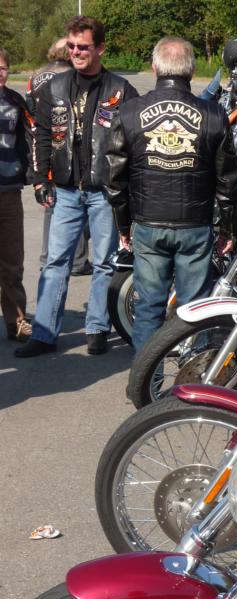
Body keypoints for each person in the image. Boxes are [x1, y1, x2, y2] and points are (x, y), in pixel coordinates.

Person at [104, 36, 237, 353]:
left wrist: (123, 225)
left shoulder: (128, 112)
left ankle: (145, 378)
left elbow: (114, 178)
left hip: (148, 224)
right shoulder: (214, 115)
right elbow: (228, 181)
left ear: (154, 68)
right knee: (196, 311)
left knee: (148, 309)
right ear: (191, 71)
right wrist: (228, 228)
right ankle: (193, 377)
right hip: (195, 225)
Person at [15, 15, 138, 358]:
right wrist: (40, 179)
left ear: (100, 48)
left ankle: (97, 328)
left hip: (104, 191)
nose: (76, 52)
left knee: (104, 263)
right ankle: (44, 333)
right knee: (56, 261)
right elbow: (40, 135)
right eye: (71, 46)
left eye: (83, 47)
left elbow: (133, 141)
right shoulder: (53, 87)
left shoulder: (121, 90)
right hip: (65, 190)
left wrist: (127, 187)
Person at [27, 37, 92, 277]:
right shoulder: (71, 76)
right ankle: (77, 260)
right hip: (66, 147)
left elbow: (29, 111)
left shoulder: (35, 76)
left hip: (41, 143)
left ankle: (48, 255)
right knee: (77, 200)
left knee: (50, 203)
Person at [0, 46, 33, 343]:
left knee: (12, 262)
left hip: (9, 191)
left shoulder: (15, 101)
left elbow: (28, 139)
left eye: (2, 68)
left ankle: (17, 321)